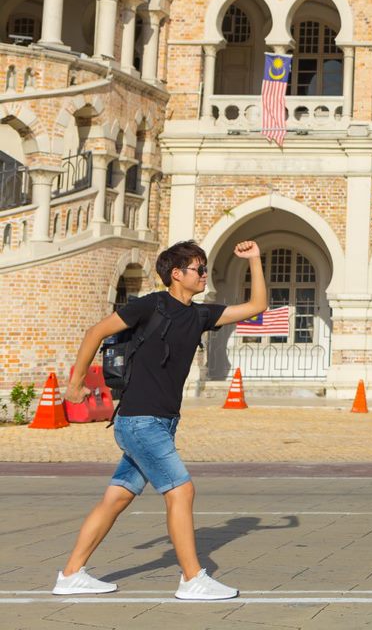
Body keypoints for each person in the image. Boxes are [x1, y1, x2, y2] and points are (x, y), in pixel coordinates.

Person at [53, 239, 269, 601]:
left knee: (117, 498)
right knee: (182, 490)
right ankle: (191, 578)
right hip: (139, 421)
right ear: (176, 274)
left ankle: (71, 574)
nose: (204, 275)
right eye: (198, 269)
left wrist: (256, 260)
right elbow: (96, 332)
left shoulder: (199, 315)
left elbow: (257, 306)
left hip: (162, 422)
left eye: (204, 268)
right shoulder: (150, 305)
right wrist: (74, 384)